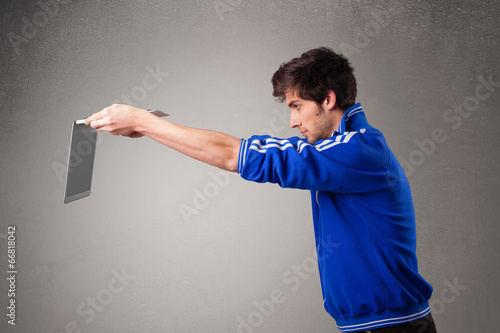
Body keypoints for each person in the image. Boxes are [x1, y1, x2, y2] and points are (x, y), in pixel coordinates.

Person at [85, 47, 437, 333]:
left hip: (392, 328)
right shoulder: (342, 150)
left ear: (327, 99)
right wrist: (150, 129)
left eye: (297, 106)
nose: (292, 121)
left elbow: (233, 156)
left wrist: (143, 121)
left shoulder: (357, 150)